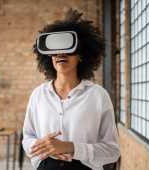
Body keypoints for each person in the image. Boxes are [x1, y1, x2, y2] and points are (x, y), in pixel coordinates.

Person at [22, 9, 120, 170]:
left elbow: (112, 151)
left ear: (81, 55)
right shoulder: (38, 95)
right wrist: (43, 146)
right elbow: (27, 138)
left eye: (68, 48)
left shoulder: (98, 96)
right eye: (55, 49)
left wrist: (71, 147)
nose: (61, 53)